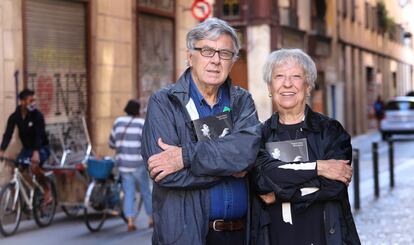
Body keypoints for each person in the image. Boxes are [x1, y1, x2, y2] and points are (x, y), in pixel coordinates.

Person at [141, 18, 262, 245]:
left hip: (240, 234)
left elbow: (246, 155)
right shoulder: (164, 102)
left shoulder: (242, 101)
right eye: (207, 51)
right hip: (186, 235)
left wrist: (185, 157)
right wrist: (229, 166)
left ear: (233, 61)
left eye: (224, 53)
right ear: (190, 56)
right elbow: (166, 173)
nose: (215, 60)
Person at [251, 49, 360, 245]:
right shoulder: (259, 135)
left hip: (325, 237)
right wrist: (319, 169)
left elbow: (334, 186)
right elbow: (262, 180)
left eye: (296, 76)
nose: (287, 84)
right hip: (276, 237)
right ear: (269, 86)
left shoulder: (330, 131)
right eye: (279, 77)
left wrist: (279, 194)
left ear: (308, 85)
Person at [109, 99, 153, 231]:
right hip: (138, 164)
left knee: (129, 192)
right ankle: (151, 219)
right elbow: (146, 144)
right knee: (145, 191)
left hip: (123, 164)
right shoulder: (141, 123)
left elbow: (111, 143)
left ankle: (129, 221)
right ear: (137, 111)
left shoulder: (118, 122)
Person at [0, 88, 51, 202]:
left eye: (34, 100)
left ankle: (47, 189)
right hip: (27, 149)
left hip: (41, 148)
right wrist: (2, 150)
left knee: (34, 167)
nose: (33, 103)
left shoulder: (37, 115)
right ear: (22, 102)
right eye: (30, 100)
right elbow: (8, 134)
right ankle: (24, 198)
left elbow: (39, 134)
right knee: (16, 169)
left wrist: (36, 152)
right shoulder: (15, 117)